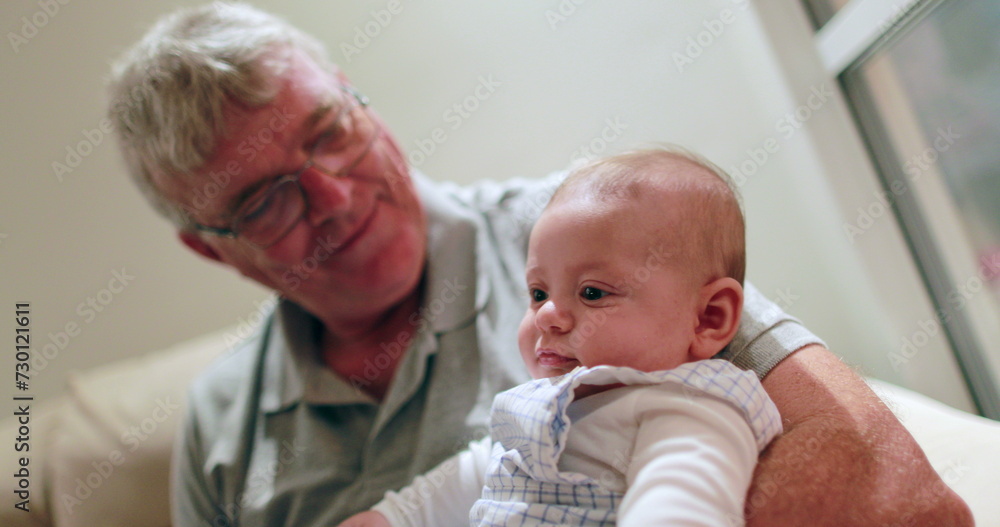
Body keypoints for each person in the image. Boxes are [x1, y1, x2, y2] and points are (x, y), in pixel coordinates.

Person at [106, 2, 972, 526]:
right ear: (208, 246)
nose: (334, 197)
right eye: (263, 201)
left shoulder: (591, 237)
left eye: (331, 131)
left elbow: (887, 480)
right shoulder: (221, 426)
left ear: (355, 95)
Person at [341, 148, 783, 527]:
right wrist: (388, 518)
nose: (548, 315)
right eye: (538, 293)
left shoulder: (686, 412)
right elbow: (449, 490)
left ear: (708, 318)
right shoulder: (535, 412)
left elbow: (679, 509)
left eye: (592, 293)